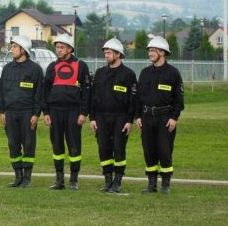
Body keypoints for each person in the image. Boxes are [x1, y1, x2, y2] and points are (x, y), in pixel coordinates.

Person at [135, 36, 184, 193]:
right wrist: (138, 117)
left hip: (165, 118)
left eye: (153, 50)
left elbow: (179, 99)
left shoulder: (173, 73)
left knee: (164, 150)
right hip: (147, 117)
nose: (150, 53)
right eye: (149, 50)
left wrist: (174, 117)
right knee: (149, 150)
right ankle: (151, 184)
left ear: (162, 52)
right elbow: (138, 98)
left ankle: (166, 184)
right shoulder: (145, 73)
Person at [43, 33, 91, 190]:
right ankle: (59, 180)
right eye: (57, 47)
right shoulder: (52, 67)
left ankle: (74, 180)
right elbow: (45, 90)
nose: (59, 50)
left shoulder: (81, 66)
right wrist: (46, 113)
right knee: (57, 146)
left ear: (70, 49)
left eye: (62, 47)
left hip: (74, 112)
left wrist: (83, 113)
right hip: (55, 111)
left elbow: (87, 91)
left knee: (74, 146)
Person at [89, 38, 137, 193]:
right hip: (102, 117)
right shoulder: (100, 73)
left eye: (109, 52)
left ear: (118, 54)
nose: (106, 55)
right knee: (104, 149)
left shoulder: (128, 75)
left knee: (119, 148)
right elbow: (93, 97)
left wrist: (130, 120)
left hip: (121, 117)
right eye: (105, 52)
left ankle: (118, 181)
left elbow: (133, 100)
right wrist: (93, 118)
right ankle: (108, 180)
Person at [0, 35, 43, 188]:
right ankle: (18, 176)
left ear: (24, 50)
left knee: (28, 144)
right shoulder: (7, 69)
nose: (12, 49)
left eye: (15, 47)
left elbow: (39, 94)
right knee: (13, 144)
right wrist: (2, 111)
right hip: (10, 113)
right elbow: (1, 91)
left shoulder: (35, 69)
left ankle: (27, 177)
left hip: (28, 113)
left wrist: (36, 114)